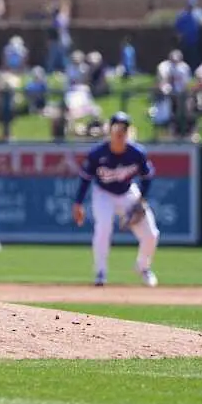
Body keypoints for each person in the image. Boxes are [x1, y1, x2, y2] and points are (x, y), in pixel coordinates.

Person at [73, 111, 160, 287]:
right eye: (117, 128)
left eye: (124, 128)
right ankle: (100, 272)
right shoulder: (97, 153)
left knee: (151, 234)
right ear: (110, 131)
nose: (120, 132)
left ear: (128, 132)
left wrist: (141, 200)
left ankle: (143, 267)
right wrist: (78, 203)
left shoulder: (137, 153)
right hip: (103, 193)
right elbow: (85, 178)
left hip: (128, 193)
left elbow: (147, 176)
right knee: (103, 227)